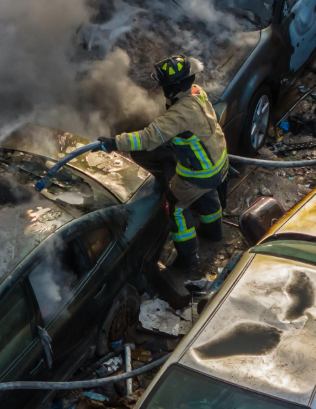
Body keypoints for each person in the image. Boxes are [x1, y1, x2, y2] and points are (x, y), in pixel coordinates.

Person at [97, 55, 227, 270]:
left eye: (165, 85)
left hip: (200, 173)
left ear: (173, 86)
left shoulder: (178, 115)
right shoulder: (197, 92)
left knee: (176, 207)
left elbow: (148, 138)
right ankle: (214, 233)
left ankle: (188, 259)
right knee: (207, 194)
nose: (162, 89)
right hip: (218, 161)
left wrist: (113, 142)